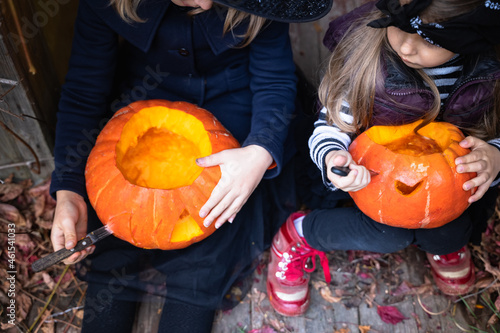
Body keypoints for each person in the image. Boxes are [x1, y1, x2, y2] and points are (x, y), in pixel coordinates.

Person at [48, 0, 332, 331]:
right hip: (142, 106)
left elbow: (274, 81)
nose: (208, 4)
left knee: (209, 246)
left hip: (236, 119)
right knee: (114, 240)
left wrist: (260, 151)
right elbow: (84, 91)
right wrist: (68, 188)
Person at [266, 0, 500, 317]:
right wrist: (335, 156)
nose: (406, 45)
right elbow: (331, 125)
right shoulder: (368, 61)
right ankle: (301, 233)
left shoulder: (491, 73)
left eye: (430, 38)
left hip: (451, 186)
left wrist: (495, 155)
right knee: (390, 235)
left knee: (448, 233)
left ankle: (442, 246)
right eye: (399, 25)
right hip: (374, 181)